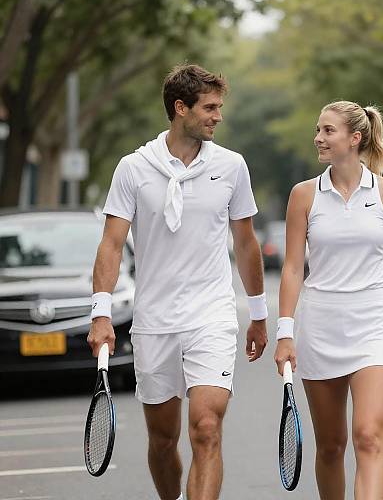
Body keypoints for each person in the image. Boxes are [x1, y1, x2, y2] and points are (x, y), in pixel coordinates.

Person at [87, 64, 268, 500]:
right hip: (154, 320)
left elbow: (245, 244)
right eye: (210, 107)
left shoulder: (231, 166)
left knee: (206, 427)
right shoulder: (134, 168)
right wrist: (101, 313)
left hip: (211, 316)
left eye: (219, 107)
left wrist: (260, 315)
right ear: (180, 108)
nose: (217, 117)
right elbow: (112, 244)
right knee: (163, 439)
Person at [274, 101, 383, 500]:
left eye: (328, 131)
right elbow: (293, 269)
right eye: (318, 130)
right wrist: (285, 333)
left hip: (373, 325)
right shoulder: (303, 195)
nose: (318, 138)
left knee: (369, 437)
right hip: (320, 326)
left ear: (355, 138)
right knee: (330, 446)